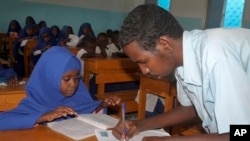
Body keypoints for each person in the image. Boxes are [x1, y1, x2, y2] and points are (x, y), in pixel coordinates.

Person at [112, 4, 250, 141]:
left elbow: (242, 133)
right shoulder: (182, 60)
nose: (144, 70)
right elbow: (190, 110)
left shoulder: (215, 54)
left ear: (164, 44)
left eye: (143, 62)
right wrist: (141, 124)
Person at [0, 46, 122, 131]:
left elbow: (86, 108)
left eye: (76, 78)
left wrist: (101, 105)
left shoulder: (79, 94)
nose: (73, 84)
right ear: (49, 78)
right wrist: (42, 117)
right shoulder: (36, 101)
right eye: (67, 79)